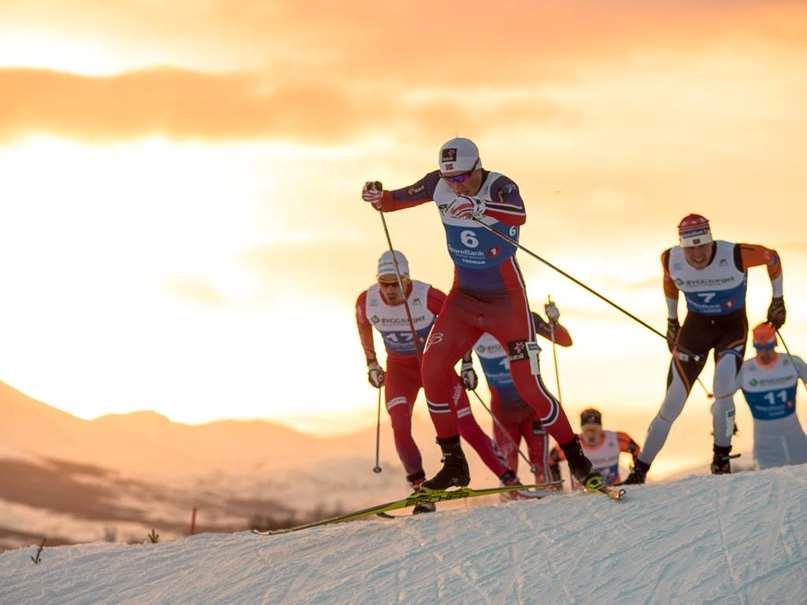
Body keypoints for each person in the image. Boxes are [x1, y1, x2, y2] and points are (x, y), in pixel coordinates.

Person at [361, 137, 602, 491]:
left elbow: (520, 214)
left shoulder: (500, 185)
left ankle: (578, 461)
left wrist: (479, 206)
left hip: (505, 300)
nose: (455, 185)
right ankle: (454, 463)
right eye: (450, 179)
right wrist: (376, 197)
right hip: (464, 297)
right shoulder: (438, 183)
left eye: (462, 178)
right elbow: (393, 201)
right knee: (433, 369)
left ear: (477, 167)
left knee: (529, 387)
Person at [622, 214, 785, 484]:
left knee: (723, 386)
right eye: (690, 249)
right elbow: (668, 281)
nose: (697, 255)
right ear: (681, 247)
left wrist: (778, 300)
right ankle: (640, 471)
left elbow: (772, 257)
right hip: (695, 329)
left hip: (731, 328)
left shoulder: (734, 254)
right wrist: (672, 320)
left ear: (712, 242)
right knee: (672, 402)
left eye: (703, 247)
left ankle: (721, 459)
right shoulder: (669, 258)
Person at [356, 249, 519, 503]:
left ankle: (510, 481)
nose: (389, 290)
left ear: (407, 280)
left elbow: (462, 324)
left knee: (466, 426)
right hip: (400, 371)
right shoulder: (367, 301)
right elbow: (363, 327)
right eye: (384, 284)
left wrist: (466, 363)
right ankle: (420, 488)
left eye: (395, 284)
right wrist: (372, 363)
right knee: (399, 425)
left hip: (435, 368)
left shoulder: (428, 296)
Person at [464, 301, 572, 485]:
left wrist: (554, 322)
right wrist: (466, 365)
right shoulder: (473, 325)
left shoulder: (527, 318)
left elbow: (565, 341)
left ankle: (550, 506)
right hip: (503, 413)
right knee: (508, 471)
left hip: (534, 409)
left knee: (541, 469)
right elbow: (451, 348)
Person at [732, 322, 807, 469]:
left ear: (775, 343)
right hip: (765, 446)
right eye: (760, 348)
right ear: (755, 346)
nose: (765, 352)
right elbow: (722, 400)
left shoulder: (792, 362)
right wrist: (728, 425)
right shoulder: (745, 370)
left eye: (769, 347)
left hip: (796, 439)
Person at [549, 408, 641, 486]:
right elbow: (551, 460)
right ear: (582, 429)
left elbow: (636, 450)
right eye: (588, 430)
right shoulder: (573, 445)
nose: (591, 434)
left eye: (594, 429)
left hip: (613, 490)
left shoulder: (615, 439)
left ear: (601, 428)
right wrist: (557, 485)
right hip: (584, 498)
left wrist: (636, 475)